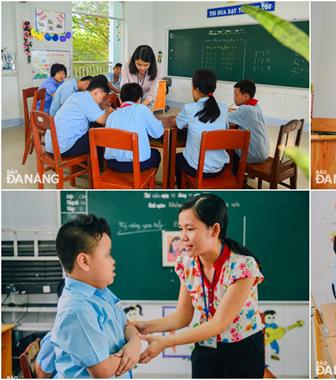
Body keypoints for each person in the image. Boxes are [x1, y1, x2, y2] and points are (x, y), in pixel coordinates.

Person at [134, 194, 265, 378]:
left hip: (243, 351)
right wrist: (144, 326)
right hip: (205, 347)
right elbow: (182, 316)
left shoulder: (243, 266)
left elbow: (218, 324)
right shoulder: (186, 264)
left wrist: (165, 342)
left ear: (214, 230)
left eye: (190, 229)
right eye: (181, 229)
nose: (183, 237)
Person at [50, 214, 140, 378]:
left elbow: (127, 325)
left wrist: (134, 344)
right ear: (84, 261)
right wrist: (133, 352)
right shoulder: (77, 310)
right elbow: (103, 370)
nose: (113, 261)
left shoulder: (100, 292)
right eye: (107, 255)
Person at [174, 70, 229, 188]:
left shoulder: (189, 108)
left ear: (197, 90)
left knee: (177, 158)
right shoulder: (224, 108)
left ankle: (181, 191)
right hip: (220, 168)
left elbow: (178, 124)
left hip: (197, 169)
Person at [47, 75, 113, 157]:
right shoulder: (88, 100)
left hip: (51, 145)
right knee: (99, 136)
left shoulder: (77, 95)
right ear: (96, 92)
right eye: (103, 97)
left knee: (93, 127)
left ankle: (88, 165)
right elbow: (102, 120)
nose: (102, 100)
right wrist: (109, 111)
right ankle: (98, 168)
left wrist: (100, 107)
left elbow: (88, 111)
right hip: (63, 147)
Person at [104, 83, 163, 172]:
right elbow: (158, 133)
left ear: (120, 100)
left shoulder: (111, 116)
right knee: (156, 154)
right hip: (136, 165)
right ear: (139, 99)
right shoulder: (142, 109)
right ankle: (143, 181)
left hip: (113, 164)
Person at [228, 80, 270, 170]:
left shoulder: (246, 109)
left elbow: (225, 118)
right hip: (264, 151)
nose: (233, 97)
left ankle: (236, 176)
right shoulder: (255, 106)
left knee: (229, 143)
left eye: (236, 95)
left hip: (255, 154)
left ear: (246, 96)